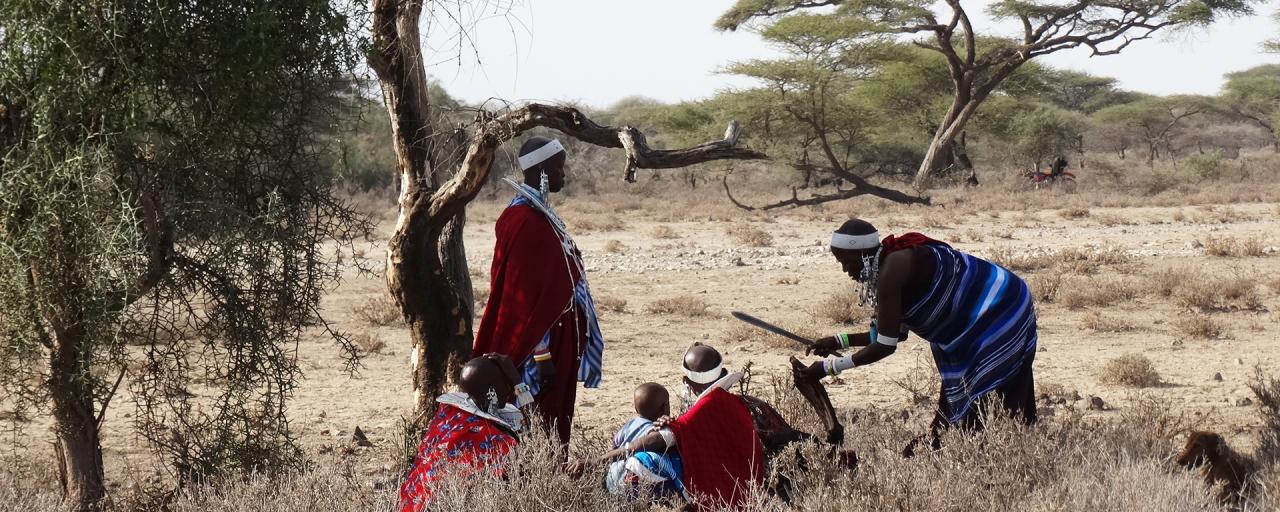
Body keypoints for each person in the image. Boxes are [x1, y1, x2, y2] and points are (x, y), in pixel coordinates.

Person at [795, 219, 1038, 443]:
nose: (846, 270)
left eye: (847, 261)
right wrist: (838, 341)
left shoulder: (892, 271)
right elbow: (888, 334)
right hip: (982, 313)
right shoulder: (887, 266)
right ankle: (974, 440)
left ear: (864, 254)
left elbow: (885, 346)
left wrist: (828, 368)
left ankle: (997, 445)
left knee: (984, 382)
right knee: (968, 396)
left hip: (1000, 307)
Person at [472, 136, 606, 446]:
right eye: (559, 168)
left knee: (554, 418)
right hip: (539, 348)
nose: (564, 174)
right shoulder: (523, 220)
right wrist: (543, 355)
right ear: (543, 171)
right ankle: (534, 484)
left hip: (560, 338)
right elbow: (526, 299)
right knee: (537, 420)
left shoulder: (538, 214)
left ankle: (551, 479)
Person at [578, 344, 764, 511]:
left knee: (641, 461)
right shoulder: (733, 403)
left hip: (722, 495)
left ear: (687, 382)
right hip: (747, 491)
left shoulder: (703, 409)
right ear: (722, 373)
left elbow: (656, 441)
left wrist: (597, 461)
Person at [398, 354, 530, 511]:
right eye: (505, 382)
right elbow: (538, 428)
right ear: (491, 391)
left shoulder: (450, 413)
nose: (508, 388)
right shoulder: (492, 437)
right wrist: (517, 381)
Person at [604, 383, 685, 501]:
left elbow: (614, 446)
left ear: (636, 409)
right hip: (630, 480)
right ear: (665, 407)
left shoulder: (627, 426)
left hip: (612, 481)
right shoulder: (654, 430)